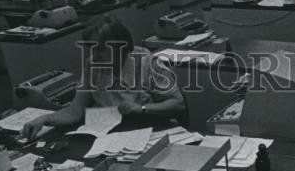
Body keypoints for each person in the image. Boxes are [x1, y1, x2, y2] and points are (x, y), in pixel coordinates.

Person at [21, 15, 184, 139]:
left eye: (99, 49)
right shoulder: (93, 65)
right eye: (90, 48)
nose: (94, 54)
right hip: (109, 133)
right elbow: (75, 111)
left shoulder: (148, 62)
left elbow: (178, 105)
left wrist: (141, 108)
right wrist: (44, 119)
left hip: (149, 131)